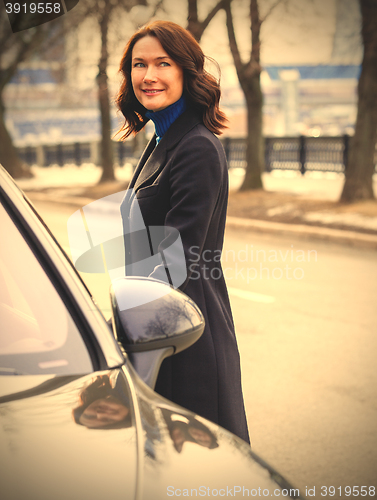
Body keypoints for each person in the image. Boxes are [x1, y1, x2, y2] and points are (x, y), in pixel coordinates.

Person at [116, 20, 250, 444]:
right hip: (156, 324)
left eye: (163, 63)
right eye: (139, 64)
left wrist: (112, 315)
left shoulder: (196, 145)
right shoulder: (161, 142)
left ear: (186, 72)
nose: (148, 75)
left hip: (187, 333)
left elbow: (178, 258)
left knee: (198, 473)